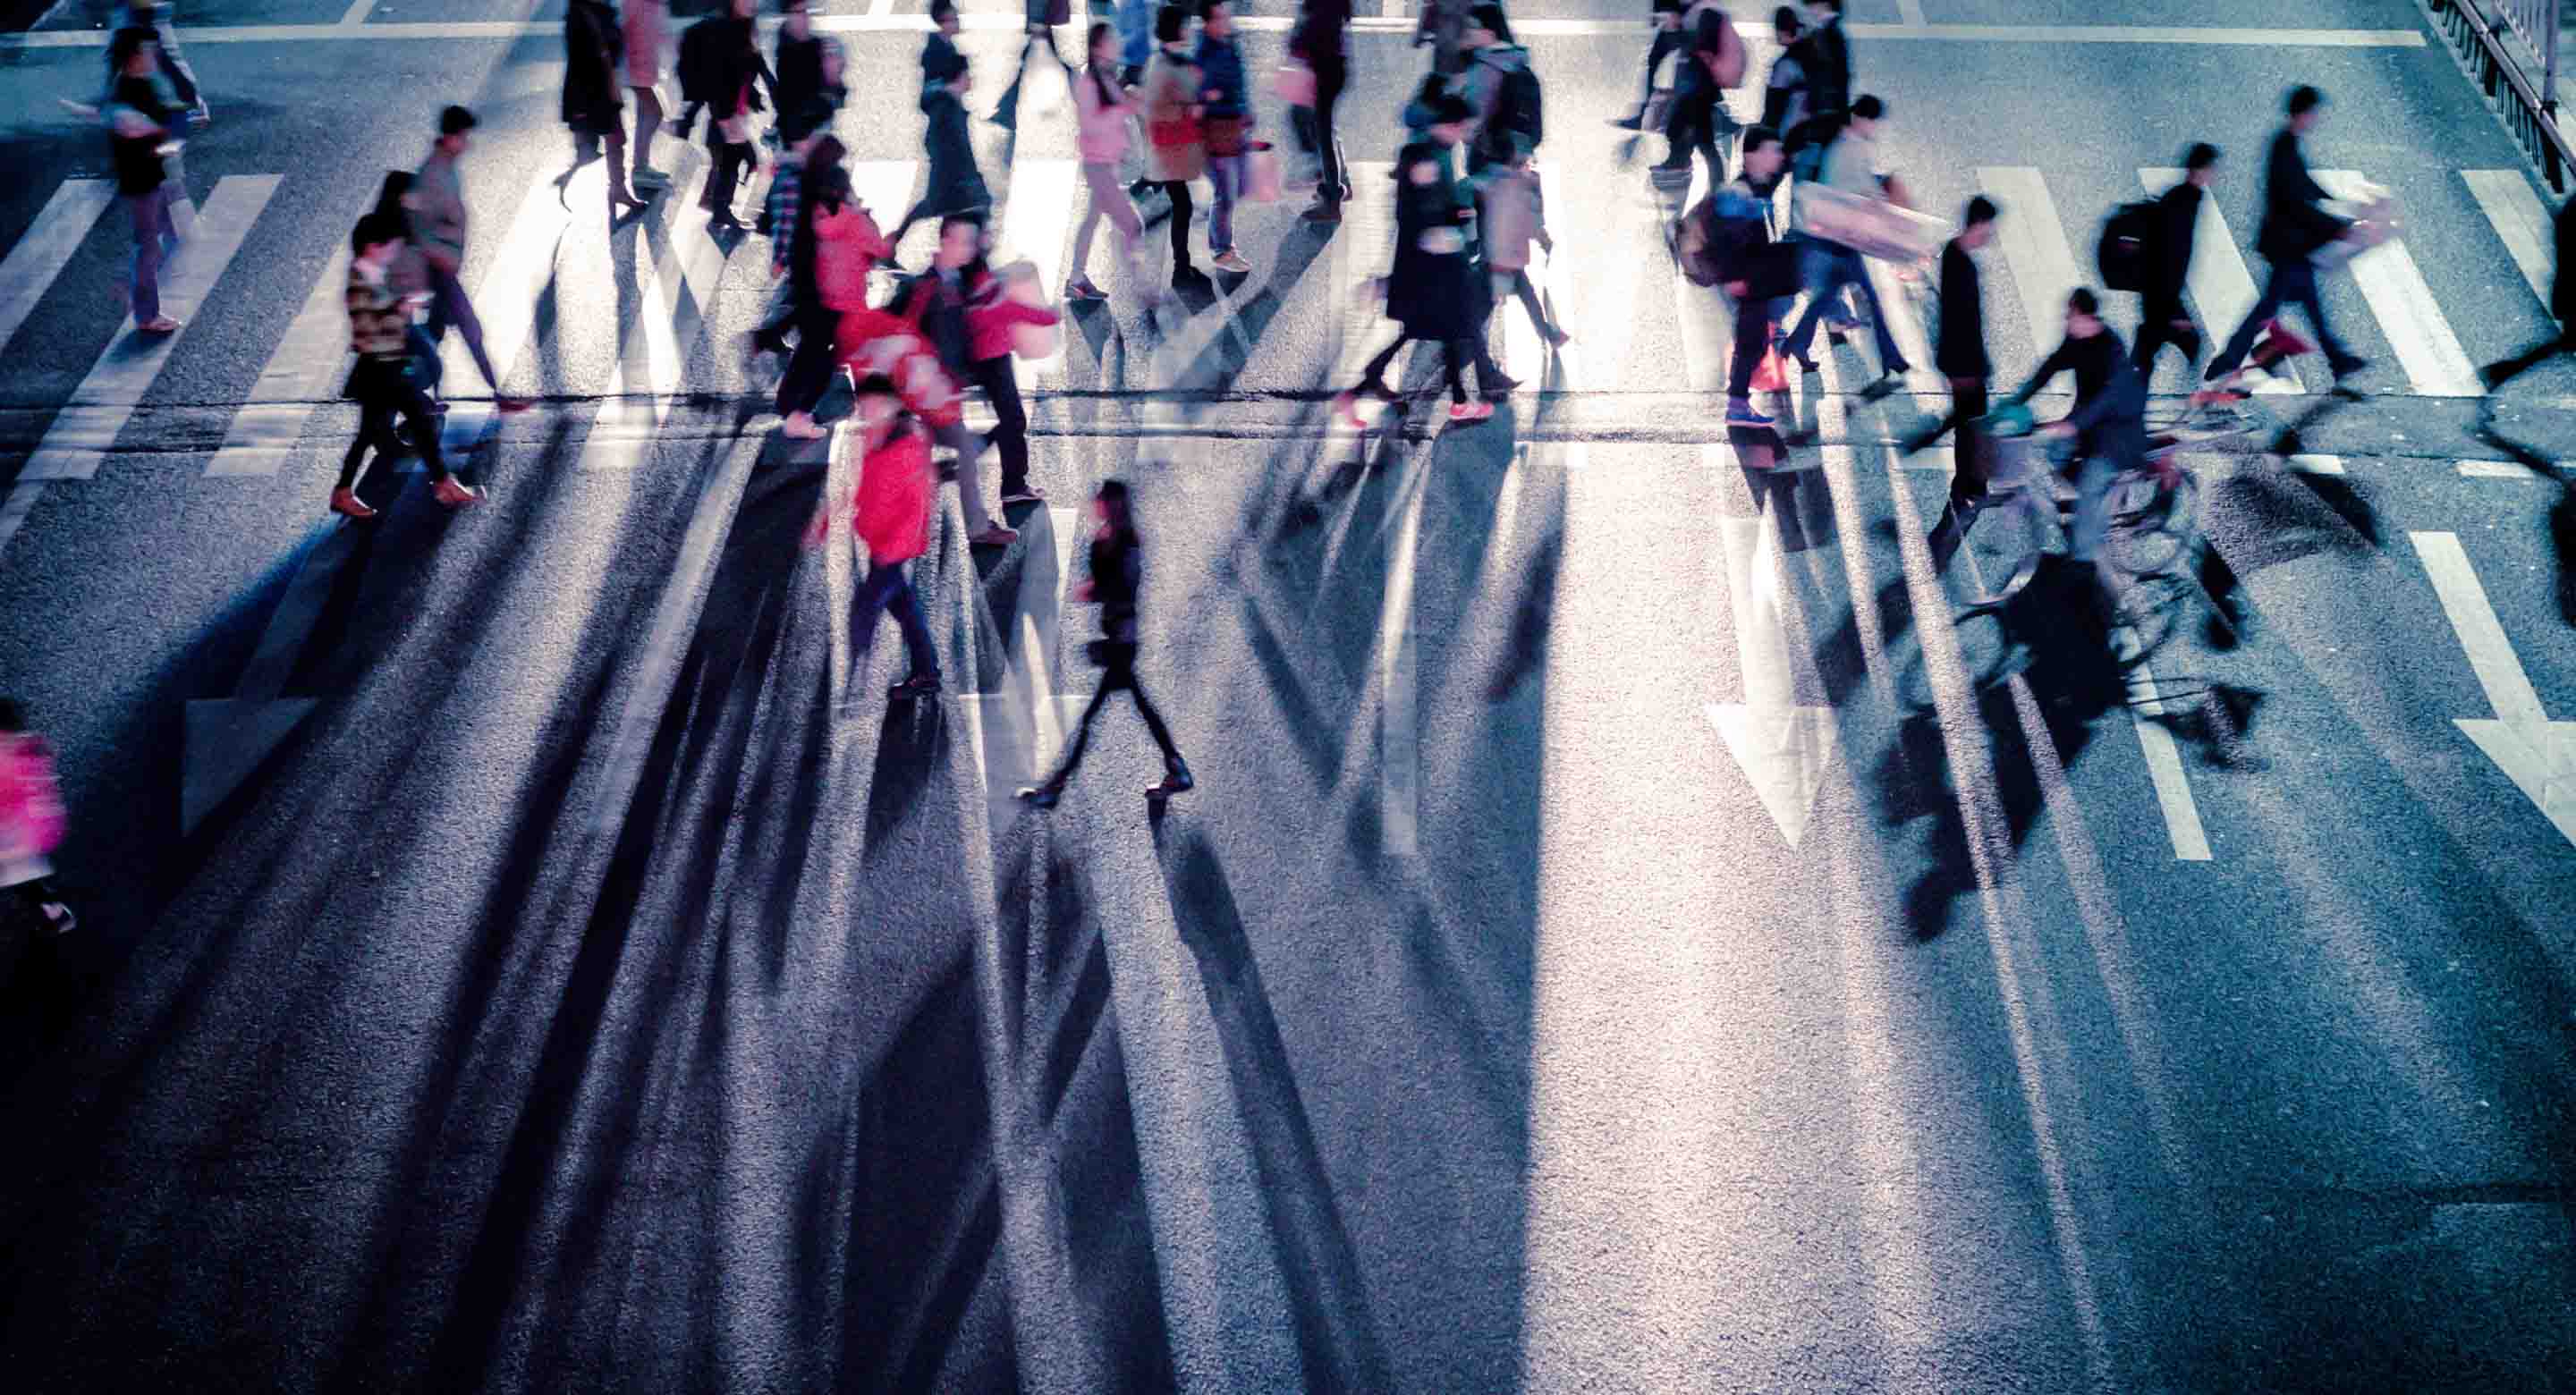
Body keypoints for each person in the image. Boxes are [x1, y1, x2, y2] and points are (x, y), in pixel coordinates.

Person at [1018, 480, 1193, 807]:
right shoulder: (1111, 540)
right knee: (1140, 708)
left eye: (1101, 500)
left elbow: (1122, 589)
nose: (1095, 504)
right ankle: (1176, 767)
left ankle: (1055, 788)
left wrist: (1094, 594)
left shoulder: (1125, 543)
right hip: (1121, 638)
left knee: (1091, 720)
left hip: (1121, 641)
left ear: (1112, 504)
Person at [1337, 95, 1503, 425]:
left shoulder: (1435, 153)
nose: (1465, 135)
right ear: (1451, 125)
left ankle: (1449, 400)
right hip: (1431, 265)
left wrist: (1457, 212)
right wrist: (1455, 219)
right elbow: (1419, 213)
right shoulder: (1427, 157)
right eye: (1464, 128)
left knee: (1443, 328)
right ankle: (1365, 390)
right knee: (1449, 327)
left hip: (1434, 263)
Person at [2203, 86, 2368, 389]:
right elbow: (2295, 204)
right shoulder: (2284, 148)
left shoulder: (2287, 144)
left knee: (2309, 307)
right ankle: (2229, 360)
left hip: (2294, 245)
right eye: (2313, 113)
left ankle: (2338, 360)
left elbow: (2304, 186)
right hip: (2288, 245)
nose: (2315, 119)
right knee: (2270, 309)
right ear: (2301, 114)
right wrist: (2337, 227)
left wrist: (2338, 203)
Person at [888, 215, 1021, 546]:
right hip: (927, 394)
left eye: (972, 242)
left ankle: (915, 501)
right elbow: (894, 331)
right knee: (963, 447)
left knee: (952, 450)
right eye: (964, 241)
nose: (970, 249)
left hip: (945, 392)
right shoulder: (925, 287)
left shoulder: (956, 283)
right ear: (946, 241)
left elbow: (958, 338)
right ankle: (975, 528)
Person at [337, 214, 483, 515]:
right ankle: (444, 485)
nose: (394, 252)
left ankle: (444, 484)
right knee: (377, 432)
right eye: (390, 247)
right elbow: (369, 324)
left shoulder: (372, 274)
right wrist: (402, 307)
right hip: (380, 370)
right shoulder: (359, 280)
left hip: (388, 368)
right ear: (372, 247)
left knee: (398, 427)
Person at [1779, 92, 1911, 397]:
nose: (1876, 130)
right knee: (1868, 297)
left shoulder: (1845, 144)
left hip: (1837, 234)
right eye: (1874, 123)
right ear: (1863, 119)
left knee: (1826, 297)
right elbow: (1850, 188)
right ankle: (1892, 359)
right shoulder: (1849, 149)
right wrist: (1883, 207)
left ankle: (1794, 345)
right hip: (1837, 237)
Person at [2005, 287, 2146, 571]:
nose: (2066, 319)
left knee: (2091, 483)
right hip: (2086, 420)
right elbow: (2050, 367)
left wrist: (2072, 425)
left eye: (2070, 314)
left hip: (2117, 431)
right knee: (2053, 454)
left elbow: (2107, 399)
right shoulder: (2077, 339)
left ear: (2086, 317)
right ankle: (2079, 514)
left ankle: (2083, 561)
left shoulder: (2112, 350)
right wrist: (2016, 402)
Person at [826, 376, 946, 702]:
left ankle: (856, 679)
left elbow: (917, 503)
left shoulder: (909, 444)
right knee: (906, 609)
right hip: (878, 539)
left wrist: (892, 551)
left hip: (894, 546)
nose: (864, 410)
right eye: (862, 404)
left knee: (864, 607)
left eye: (872, 403)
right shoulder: (874, 434)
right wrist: (827, 520)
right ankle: (927, 673)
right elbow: (863, 486)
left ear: (893, 404)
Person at [408, 106, 534, 413]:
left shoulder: (446, 168)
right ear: (451, 137)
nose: (468, 144)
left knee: (434, 336)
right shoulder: (433, 175)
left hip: (443, 267)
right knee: (470, 329)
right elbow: (418, 227)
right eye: (464, 137)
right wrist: (443, 258)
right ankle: (497, 395)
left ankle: (417, 399)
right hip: (437, 270)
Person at [1682, 125, 1795, 428]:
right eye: (1772, 150)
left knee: (1754, 340)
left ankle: (1738, 401)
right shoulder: (1740, 193)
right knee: (1751, 342)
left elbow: (1785, 167)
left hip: (1752, 276)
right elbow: (1724, 239)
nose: (1777, 156)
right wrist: (1734, 278)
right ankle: (1737, 406)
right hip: (1743, 279)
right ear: (1752, 155)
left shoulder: (1759, 184)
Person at [1910, 196, 2001, 571]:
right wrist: (1966, 372)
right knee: (1973, 469)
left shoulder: (1953, 254)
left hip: (1965, 369)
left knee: (1967, 437)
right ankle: (1940, 547)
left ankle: (1940, 540)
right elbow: (1960, 324)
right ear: (1977, 225)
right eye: (1989, 229)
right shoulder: (1961, 266)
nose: (1991, 236)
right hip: (1967, 372)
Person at [780, 139, 888, 439]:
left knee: (817, 353)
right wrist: (869, 218)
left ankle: (791, 406)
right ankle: (805, 414)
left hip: (826, 298)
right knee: (838, 359)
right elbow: (880, 249)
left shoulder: (819, 216)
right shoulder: (856, 222)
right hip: (850, 303)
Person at [100, 28, 185, 336]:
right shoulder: (125, 93)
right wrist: (161, 137)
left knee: (157, 244)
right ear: (134, 57)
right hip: (142, 183)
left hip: (154, 177)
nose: (153, 56)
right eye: (148, 51)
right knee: (147, 248)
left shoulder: (141, 84)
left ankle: (140, 297)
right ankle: (147, 315)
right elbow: (137, 131)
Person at [890, 0, 992, 251]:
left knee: (946, 201)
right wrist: (948, 91)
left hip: (947, 133)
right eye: (952, 18)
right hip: (943, 137)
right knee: (948, 200)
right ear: (941, 22)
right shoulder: (935, 51)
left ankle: (952, 249)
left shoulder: (947, 48)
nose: (957, 22)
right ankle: (959, 253)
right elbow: (924, 98)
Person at [2476, 190, 2574, 415]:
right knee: (2566, 343)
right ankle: (2505, 371)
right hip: (2572, 295)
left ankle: (2504, 371)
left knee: (2566, 343)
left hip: (2568, 294)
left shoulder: (2571, 208)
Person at [682, 0, 775, 232]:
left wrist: (770, 87)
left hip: (734, 108)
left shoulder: (745, 24)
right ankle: (721, 209)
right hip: (724, 110)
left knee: (732, 160)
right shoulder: (722, 30)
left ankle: (717, 206)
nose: (752, 3)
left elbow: (756, 60)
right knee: (738, 159)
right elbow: (714, 76)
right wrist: (724, 115)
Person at [1068, 23, 1145, 302]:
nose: (1117, 44)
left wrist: (1128, 104)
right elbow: (1091, 125)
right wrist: (1123, 108)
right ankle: (1145, 292)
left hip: (1106, 164)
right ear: (1098, 47)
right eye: (1111, 40)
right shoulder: (1089, 83)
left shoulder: (1106, 77)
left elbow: (1117, 113)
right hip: (1099, 166)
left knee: (1091, 221)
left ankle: (1076, 279)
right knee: (1132, 226)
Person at [2134, 142, 2218, 379]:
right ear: (2199, 171)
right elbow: (2169, 259)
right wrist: (2174, 311)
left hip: (2160, 294)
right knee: (2184, 342)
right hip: (2160, 295)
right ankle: (2192, 398)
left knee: (2149, 351)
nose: (2214, 174)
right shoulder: (2181, 205)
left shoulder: (2184, 198)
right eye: (2211, 169)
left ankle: (2126, 400)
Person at [1140, 4, 1208, 288]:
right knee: (1183, 206)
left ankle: (1181, 264)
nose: (1189, 29)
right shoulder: (1163, 65)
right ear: (1176, 29)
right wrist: (1188, 109)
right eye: (1185, 25)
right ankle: (1181, 269)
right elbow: (1156, 109)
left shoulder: (1172, 59)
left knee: (1182, 205)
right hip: (1169, 150)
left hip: (1175, 148)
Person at [0, 699, 75, 942]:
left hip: (18, 834)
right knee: (25, 881)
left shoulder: (9, 759)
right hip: (31, 831)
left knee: (22, 880)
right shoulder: (31, 746)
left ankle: (55, 914)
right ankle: (55, 914)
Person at [563, 0, 644, 216]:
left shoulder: (601, 12)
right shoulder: (580, 15)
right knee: (609, 141)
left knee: (616, 140)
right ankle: (614, 189)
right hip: (592, 91)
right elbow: (579, 62)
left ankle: (617, 189)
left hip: (604, 87)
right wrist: (580, 106)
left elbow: (612, 49)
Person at [1479, 147, 1565, 349]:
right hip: (1501, 261)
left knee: (1527, 299)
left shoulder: (1510, 185)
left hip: (1507, 260)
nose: (1531, 169)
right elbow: (1523, 223)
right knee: (1487, 309)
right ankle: (1474, 349)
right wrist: (1543, 241)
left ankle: (1549, 335)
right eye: (1528, 165)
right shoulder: (1512, 190)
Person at [1193, 0, 1254, 275]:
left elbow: (1239, 80)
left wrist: (1245, 108)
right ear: (1207, 23)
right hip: (1214, 132)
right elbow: (1198, 98)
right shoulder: (1202, 54)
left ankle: (1217, 231)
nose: (1225, 22)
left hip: (1235, 126)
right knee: (1226, 193)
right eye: (1219, 19)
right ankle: (1222, 249)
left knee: (1240, 188)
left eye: (1225, 17)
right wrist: (1218, 99)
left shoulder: (1230, 42)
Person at [1654, 0, 1741, 182]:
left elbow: (1703, 50)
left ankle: (1680, 164)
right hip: (1701, 90)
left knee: (1681, 127)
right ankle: (1712, 182)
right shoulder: (1700, 12)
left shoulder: (1706, 13)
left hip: (1700, 90)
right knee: (1704, 141)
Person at [1455, 4, 1539, 175]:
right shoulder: (1518, 63)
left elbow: (1475, 117)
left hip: (1487, 159)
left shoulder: (1485, 68)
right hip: (1519, 158)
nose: (1467, 31)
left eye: (1472, 26)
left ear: (1489, 33)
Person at [1289, 0, 1352, 222]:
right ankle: (1338, 183)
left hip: (1324, 72)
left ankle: (1332, 199)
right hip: (1333, 69)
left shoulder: (1320, 8)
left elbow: (1304, 38)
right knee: (1321, 127)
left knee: (1319, 132)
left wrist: (1297, 37)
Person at [772, 0, 847, 148]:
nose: (806, 17)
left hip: (814, 131)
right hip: (801, 137)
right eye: (800, 13)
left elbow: (839, 96)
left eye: (807, 12)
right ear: (788, 16)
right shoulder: (787, 55)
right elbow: (789, 103)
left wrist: (834, 77)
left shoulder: (818, 46)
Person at [622, 0, 672, 190]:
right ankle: (639, 169)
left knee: (645, 115)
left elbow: (658, 34)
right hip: (636, 69)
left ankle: (641, 166)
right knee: (655, 113)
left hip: (644, 69)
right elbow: (624, 31)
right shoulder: (634, 3)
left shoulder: (653, 5)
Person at [1613, 0, 1686, 131]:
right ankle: (1646, 116)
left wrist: (1676, 15)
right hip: (1674, 28)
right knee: (1654, 63)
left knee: (1688, 69)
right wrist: (1658, 15)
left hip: (1684, 27)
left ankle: (1675, 115)